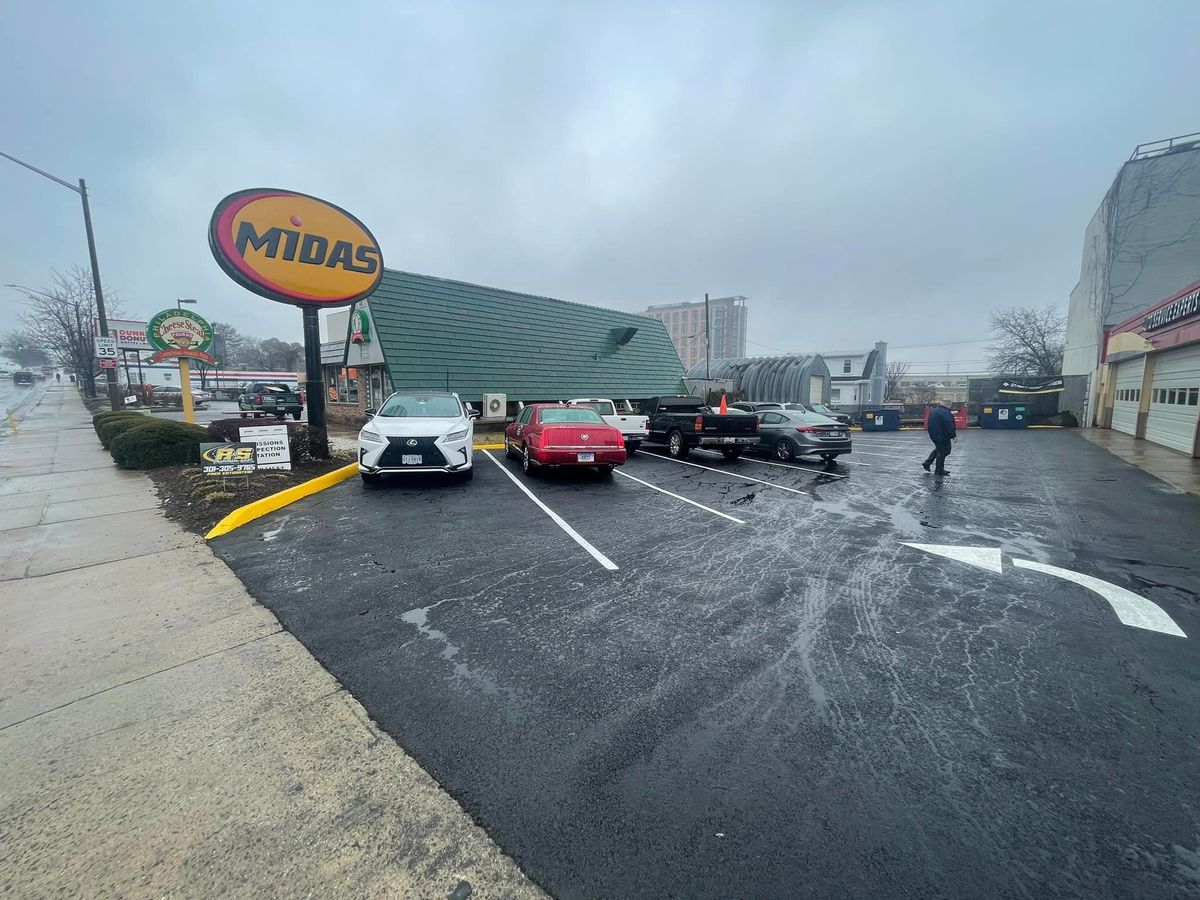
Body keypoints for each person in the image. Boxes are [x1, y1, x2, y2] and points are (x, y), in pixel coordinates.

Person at [923, 398, 957, 476]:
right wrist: (953, 436)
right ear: (947, 404)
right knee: (944, 452)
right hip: (943, 436)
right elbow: (949, 424)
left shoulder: (934, 410)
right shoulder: (945, 412)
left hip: (935, 435)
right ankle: (939, 470)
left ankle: (927, 463)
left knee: (940, 450)